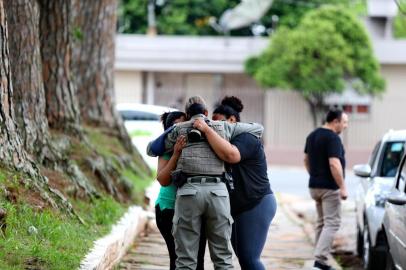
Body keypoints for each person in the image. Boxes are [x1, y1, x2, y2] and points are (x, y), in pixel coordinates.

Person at [153, 96, 264, 270]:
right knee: (223, 258)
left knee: (185, 260)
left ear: (187, 114)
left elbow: (151, 148)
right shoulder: (222, 126)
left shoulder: (179, 131)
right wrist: (210, 127)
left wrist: (178, 128)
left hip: (188, 193)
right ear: (206, 112)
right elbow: (258, 128)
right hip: (218, 193)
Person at [193, 96, 277, 270]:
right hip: (237, 207)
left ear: (232, 120)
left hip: (256, 203)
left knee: (250, 259)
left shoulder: (247, 137)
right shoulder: (220, 142)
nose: (215, 127)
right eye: (211, 123)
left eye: (218, 123)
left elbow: (232, 155)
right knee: (244, 260)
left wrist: (207, 131)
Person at [154, 111, 206, 270]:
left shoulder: (199, 144)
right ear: (170, 130)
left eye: (186, 123)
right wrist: (176, 153)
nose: (183, 128)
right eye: (177, 125)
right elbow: (162, 180)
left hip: (196, 208)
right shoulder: (166, 150)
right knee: (177, 260)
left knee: (198, 259)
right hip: (169, 210)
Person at [303, 109, 349, 270]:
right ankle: (320, 260)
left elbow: (306, 159)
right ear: (335, 122)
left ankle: (319, 258)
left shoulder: (312, 135)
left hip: (314, 186)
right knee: (332, 223)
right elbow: (334, 163)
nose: (345, 126)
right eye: (344, 122)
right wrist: (342, 187)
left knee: (322, 223)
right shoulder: (333, 138)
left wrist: (315, 175)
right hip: (329, 188)